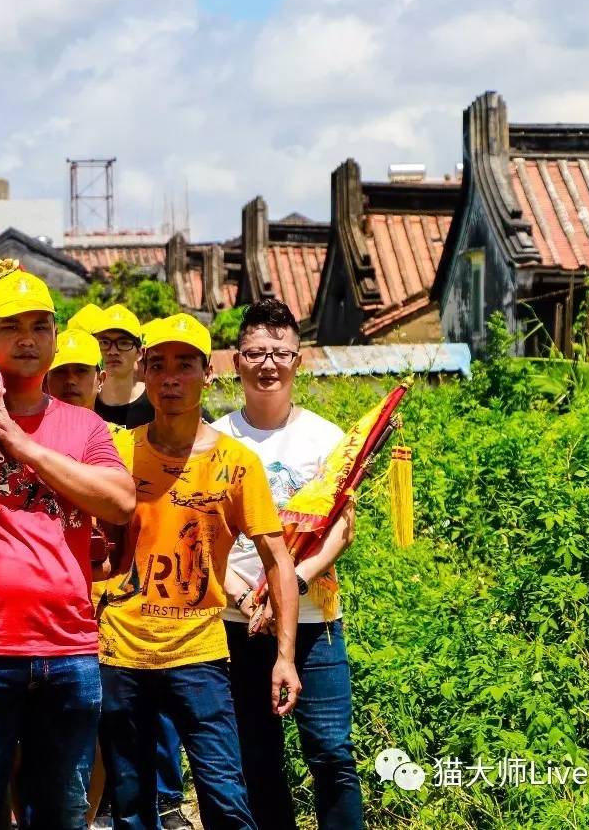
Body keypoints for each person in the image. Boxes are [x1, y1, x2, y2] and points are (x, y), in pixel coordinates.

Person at [0, 270, 136, 828]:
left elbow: (119, 502)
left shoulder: (84, 426)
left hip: (68, 649)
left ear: (57, 338)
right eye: (10, 327)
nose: (27, 339)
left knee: (61, 814)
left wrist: (21, 445)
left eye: (40, 326)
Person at [96, 314, 302, 830]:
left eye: (185, 365)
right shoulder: (118, 451)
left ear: (208, 373)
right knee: (132, 805)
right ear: (142, 370)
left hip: (200, 652)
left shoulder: (237, 462)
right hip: (121, 650)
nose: (171, 378)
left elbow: (278, 559)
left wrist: (285, 658)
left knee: (226, 799)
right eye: (159, 365)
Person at [213, 299, 363, 830]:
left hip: (315, 620)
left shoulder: (327, 438)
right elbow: (204, 535)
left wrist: (291, 583)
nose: (268, 364)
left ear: (299, 361)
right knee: (256, 758)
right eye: (256, 353)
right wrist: (241, 595)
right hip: (238, 623)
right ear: (236, 361)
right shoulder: (215, 438)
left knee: (330, 753)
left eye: (280, 353)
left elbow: (342, 528)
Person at [44, 332, 189, 830]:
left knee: (112, 722)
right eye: (60, 373)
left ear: (99, 379)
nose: (70, 383)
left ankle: (96, 817)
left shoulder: (122, 443)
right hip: (51, 605)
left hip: (120, 602)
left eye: (80, 372)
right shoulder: (30, 438)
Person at [92, 305, 154, 429]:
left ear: (139, 353)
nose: (113, 351)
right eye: (104, 342)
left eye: (123, 343)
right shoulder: (86, 399)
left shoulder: (156, 402)